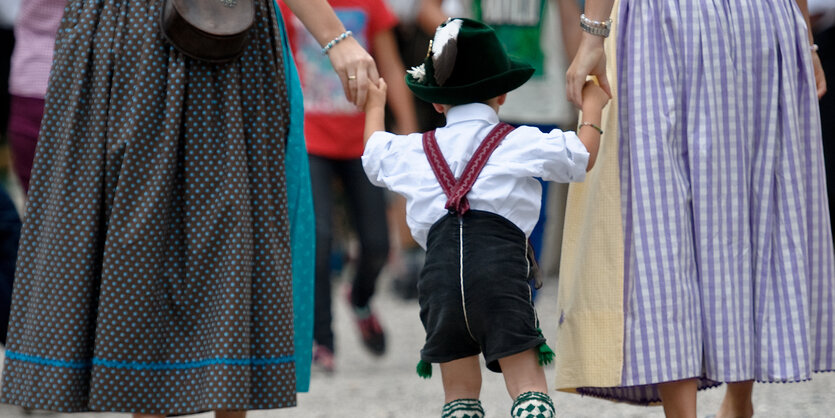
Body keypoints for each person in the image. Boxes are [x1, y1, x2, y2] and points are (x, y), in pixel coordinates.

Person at [0, 0, 380, 417]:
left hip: (202, 29)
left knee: (200, 234)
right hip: (159, 35)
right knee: (182, 234)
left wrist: (336, 37)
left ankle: (207, 391)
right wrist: (336, 39)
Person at [558, 0, 835, 417]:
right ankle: (739, 401)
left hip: (663, 24)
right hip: (758, 21)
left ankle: (701, 409)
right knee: (749, 203)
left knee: (661, 215)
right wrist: (805, 39)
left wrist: (593, 32)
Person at [361, 18, 609, 417]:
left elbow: (373, 155)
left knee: (459, 396)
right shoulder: (517, 141)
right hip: (500, 279)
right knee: (527, 387)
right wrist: (592, 107)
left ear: (436, 102)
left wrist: (375, 105)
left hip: (439, 284)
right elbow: (580, 157)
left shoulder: (414, 150)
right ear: (503, 93)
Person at [279, 0, 418, 371]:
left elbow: (390, 65)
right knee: (317, 238)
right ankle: (321, 341)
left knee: (376, 243)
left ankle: (359, 298)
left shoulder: (371, 4)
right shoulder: (286, 4)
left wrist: (406, 127)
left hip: (362, 137)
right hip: (308, 138)